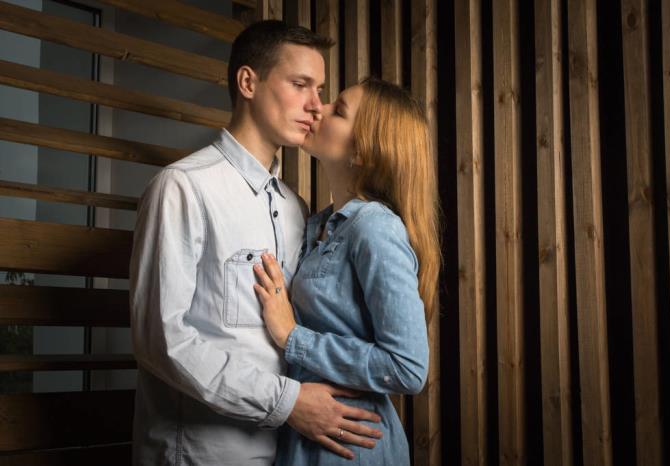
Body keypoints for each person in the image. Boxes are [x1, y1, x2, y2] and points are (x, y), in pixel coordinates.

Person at [129, 21, 382, 466]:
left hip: (287, 452)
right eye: (300, 84)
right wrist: (289, 402)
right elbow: (163, 341)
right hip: (199, 455)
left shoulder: (295, 208)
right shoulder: (183, 187)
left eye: (320, 89)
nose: (315, 105)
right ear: (248, 83)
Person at [253, 77, 440, 465]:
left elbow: (408, 368)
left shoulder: (375, 228)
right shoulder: (317, 223)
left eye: (337, 111)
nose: (316, 109)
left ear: (363, 151)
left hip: (352, 445)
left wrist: (292, 336)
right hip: (304, 434)